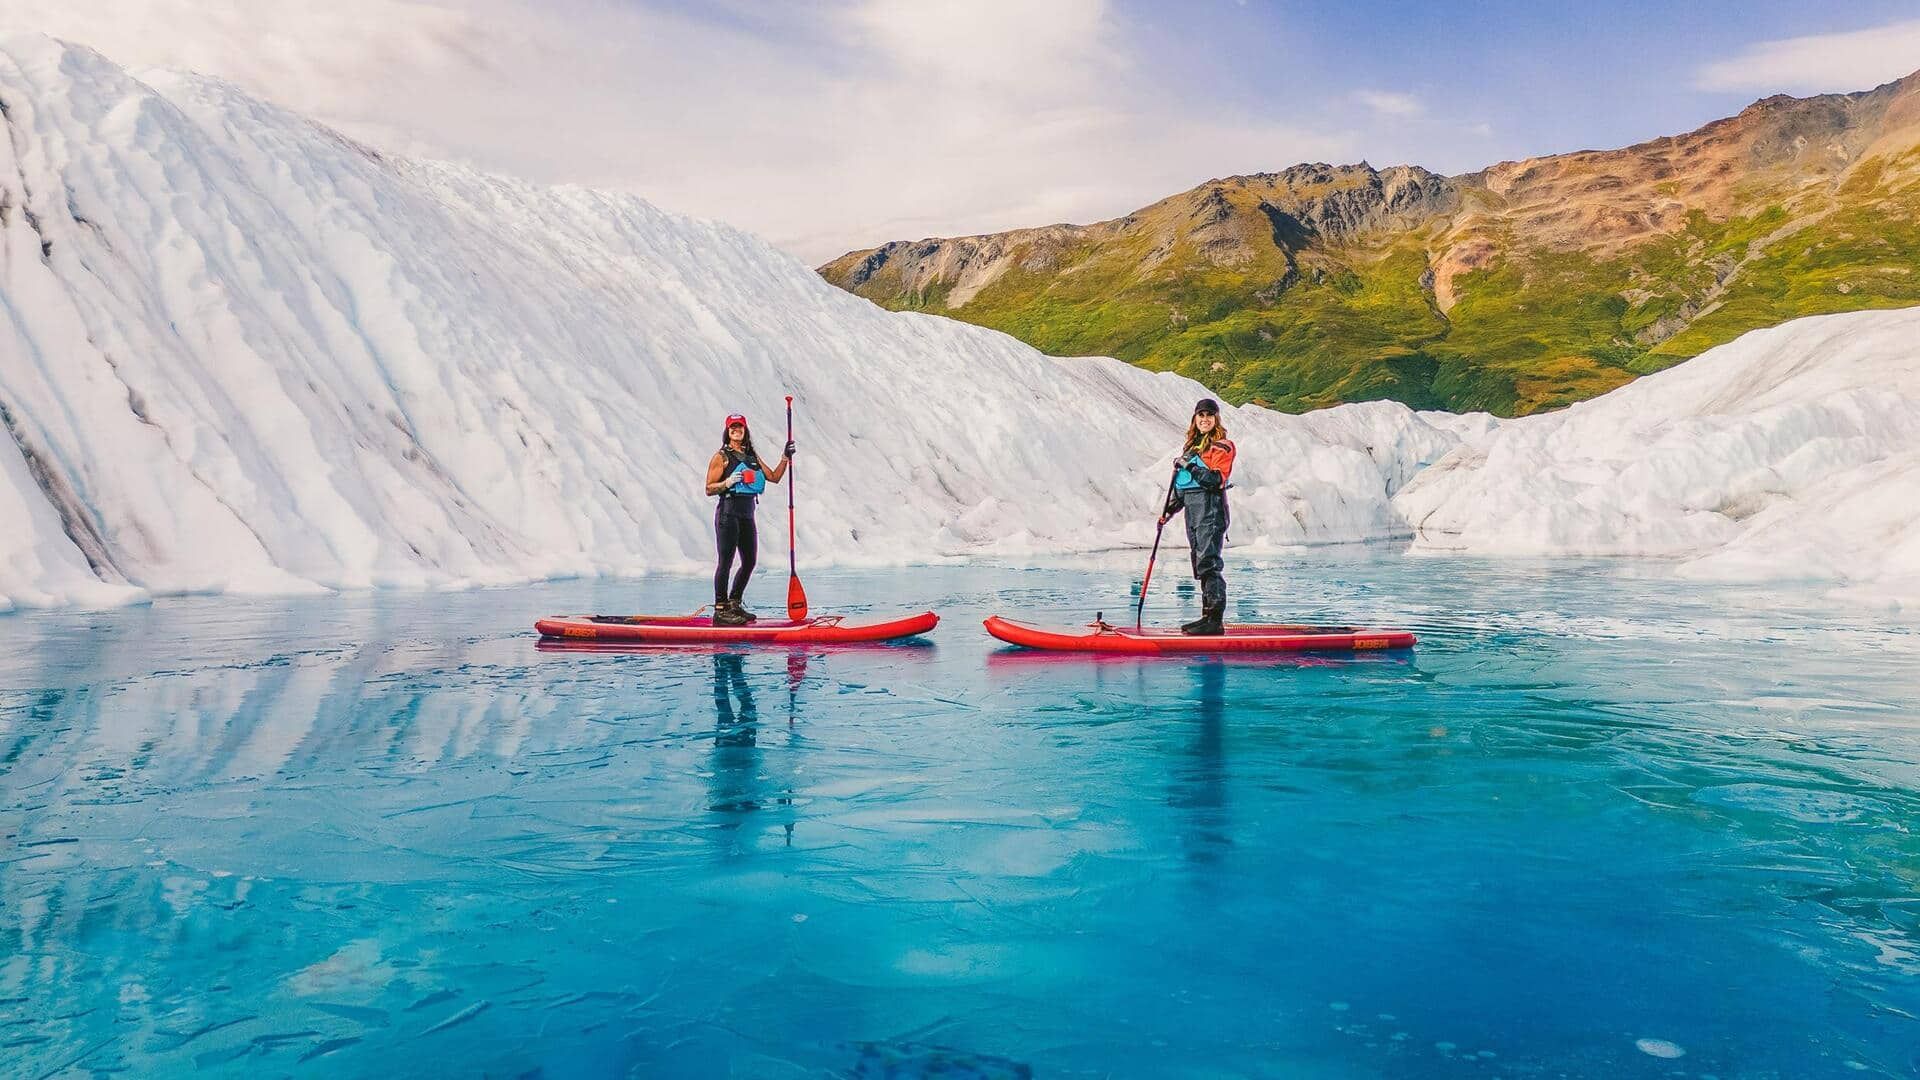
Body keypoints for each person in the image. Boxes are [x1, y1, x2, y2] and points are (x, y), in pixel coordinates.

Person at [704, 413, 793, 626]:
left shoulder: (751, 455)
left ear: (745, 430)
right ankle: (720, 609)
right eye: (733, 427)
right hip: (728, 513)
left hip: (747, 514)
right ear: (728, 431)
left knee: (750, 561)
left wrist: (785, 457)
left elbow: (774, 477)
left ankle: (734, 603)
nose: (737, 430)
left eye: (740, 427)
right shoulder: (721, 456)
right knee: (725, 561)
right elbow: (708, 488)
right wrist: (727, 482)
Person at [1158, 398, 1237, 635]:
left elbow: (1215, 480)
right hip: (1193, 510)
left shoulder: (1223, 446)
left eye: (1209, 416)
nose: (1204, 419)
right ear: (1195, 419)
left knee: (1208, 562)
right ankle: (1207, 618)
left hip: (1210, 509)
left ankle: (1214, 620)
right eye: (1200, 415)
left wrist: (1190, 466)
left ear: (1216, 420)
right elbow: (1182, 489)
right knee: (1200, 562)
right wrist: (1167, 512)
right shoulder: (1191, 449)